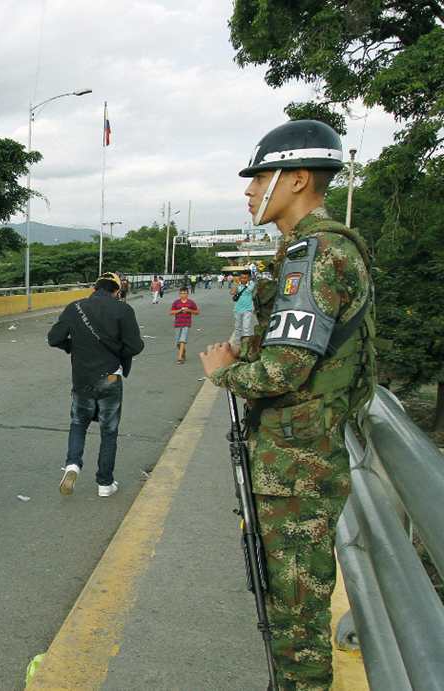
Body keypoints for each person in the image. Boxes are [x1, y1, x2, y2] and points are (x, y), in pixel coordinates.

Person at [200, 119, 375, 690]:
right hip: (298, 461)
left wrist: (227, 373)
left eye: (259, 179)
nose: (249, 192)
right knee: (284, 615)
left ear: (297, 179)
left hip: (297, 469)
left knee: (295, 629)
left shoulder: (316, 255)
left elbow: (284, 369)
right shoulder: (310, 252)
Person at [48, 272, 144, 497]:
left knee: (78, 423)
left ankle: (72, 465)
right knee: (108, 431)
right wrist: (116, 351)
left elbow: (54, 338)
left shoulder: (75, 307)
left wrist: (73, 346)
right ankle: (104, 483)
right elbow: (135, 346)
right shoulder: (123, 310)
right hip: (110, 377)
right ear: (117, 291)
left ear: (94, 288)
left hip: (82, 378)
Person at [169, 286, 200, 364]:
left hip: (186, 323)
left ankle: (179, 358)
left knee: (182, 340)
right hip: (178, 323)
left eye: (185, 293)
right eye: (181, 293)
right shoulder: (176, 302)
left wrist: (189, 310)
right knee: (177, 343)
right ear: (179, 294)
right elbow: (171, 312)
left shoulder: (191, 302)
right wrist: (179, 310)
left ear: (187, 294)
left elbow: (197, 312)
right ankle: (183, 352)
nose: (183, 295)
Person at [231, 271, 256, 352]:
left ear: (249, 278)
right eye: (241, 277)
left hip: (248, 309)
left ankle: (245, 345)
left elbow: (249, 290)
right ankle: (237, 344)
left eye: (245, 278)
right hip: (238, 309)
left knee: (246, 327)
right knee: (237, 327)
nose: (243, 279)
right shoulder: (238, 284)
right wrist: (236, 284)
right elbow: (232, 292)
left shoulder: (252, 284)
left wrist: (243, 284)